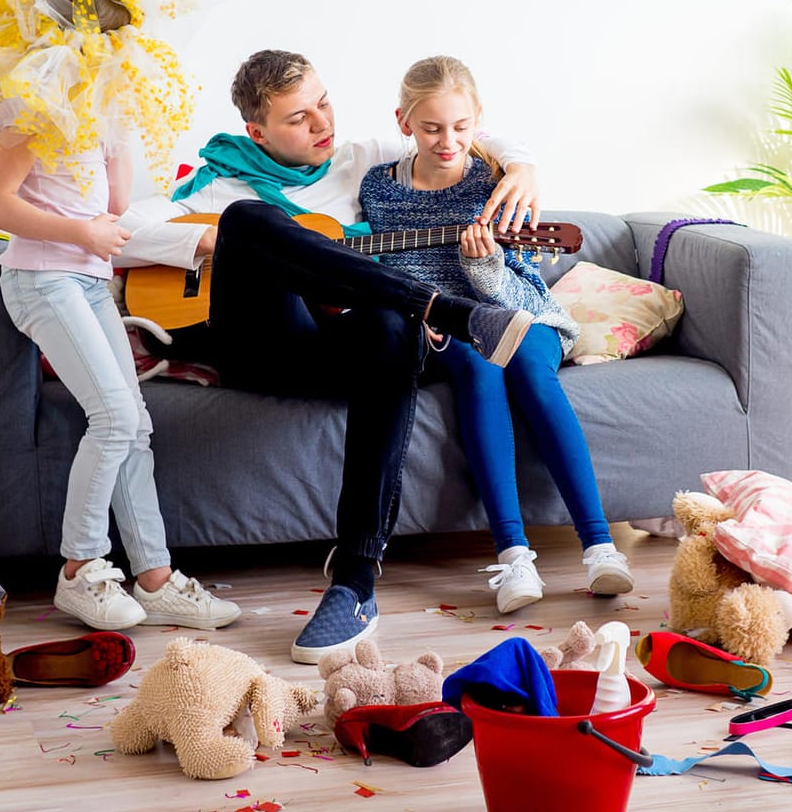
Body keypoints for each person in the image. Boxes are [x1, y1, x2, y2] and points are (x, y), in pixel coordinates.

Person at [116, 49, 543, 662]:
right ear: (257, 132)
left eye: (324, 103)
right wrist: (228, 244)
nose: (322, 124)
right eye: (298, 118)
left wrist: (524, 166)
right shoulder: (215, 183)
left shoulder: (361, 157)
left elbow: (460, 122)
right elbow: (122, 231)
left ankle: (355, 580)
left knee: (389, 322)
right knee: (248, 218)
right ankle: (445, 310)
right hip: (263, 346)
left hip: (346, 351)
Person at [0, 0, 240, 633]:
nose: (121, 54)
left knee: (134, 426)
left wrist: (122, 137)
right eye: (109, 40)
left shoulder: (97, 102)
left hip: (83, 283)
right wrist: (82, 235)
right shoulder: (32, 102)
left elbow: (110, 210)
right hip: (41, 280)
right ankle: (80, 570)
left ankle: (157, 577)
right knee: (116, 419)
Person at [357, 56, 635, 614]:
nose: (447, 141)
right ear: (403, 122)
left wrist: (482, 269)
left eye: (460, 128)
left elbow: (515, 281)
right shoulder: (378, 189)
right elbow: (386, 273)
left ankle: (602, 547)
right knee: (480, 368)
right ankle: (513, 557)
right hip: (439, 322)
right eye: (432, 128)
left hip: (513, 305)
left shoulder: (497, 181)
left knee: (530, 370)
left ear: (478, 120)